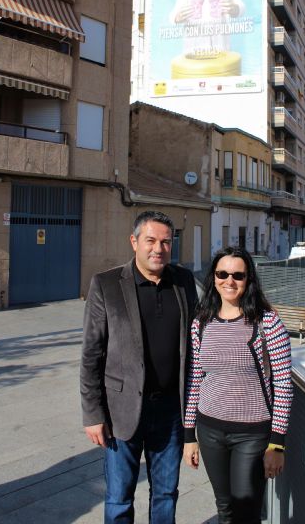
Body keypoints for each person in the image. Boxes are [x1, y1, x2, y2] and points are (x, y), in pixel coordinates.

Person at [80, 211, 198, 524]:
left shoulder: (183, 281)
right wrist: (93, 415)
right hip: (121, 413)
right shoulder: (106, 284)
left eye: (165, 242)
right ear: (134, 242)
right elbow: (92, 354)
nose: (158, 248)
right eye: (150, 240)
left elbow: (199, 341)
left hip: (171, 412)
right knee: (119, 499)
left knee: (166, 495)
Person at [183, 247, 293, 524]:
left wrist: (277, 445)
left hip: (253, 434)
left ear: (248, 279)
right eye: (222, 273)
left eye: (237, 275)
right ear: (213, 277)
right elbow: (196, 377)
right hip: (209, 430)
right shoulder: (201, 323)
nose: (229, 281)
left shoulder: (266, 321)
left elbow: (282, 383)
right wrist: (188, 436)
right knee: (225, 507)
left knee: (246, 510)